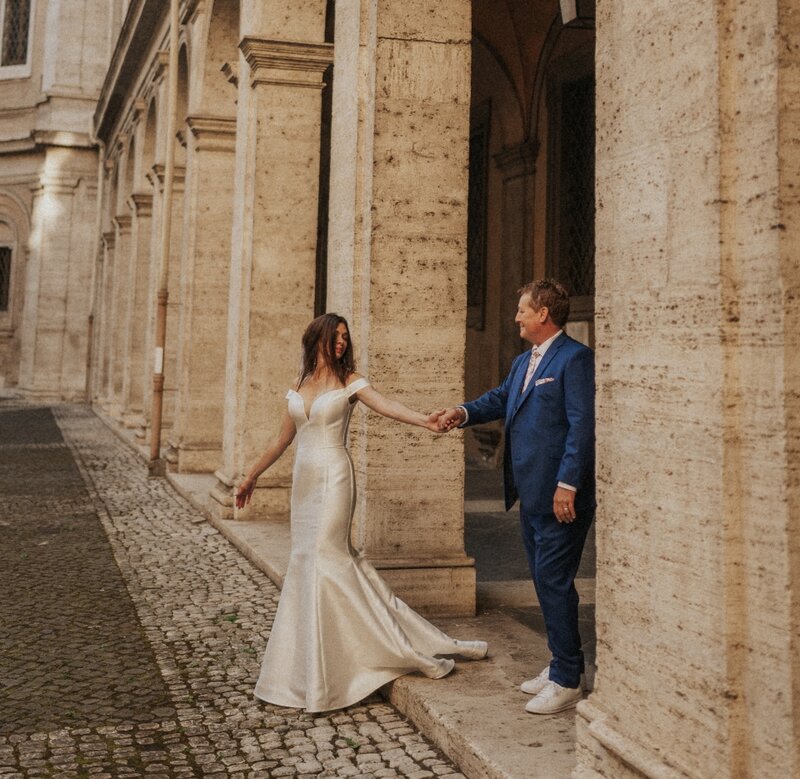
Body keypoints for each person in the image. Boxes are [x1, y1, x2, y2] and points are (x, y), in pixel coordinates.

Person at [235, 313, 488, 713]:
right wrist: (250, 476)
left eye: (344, 338)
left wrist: (425, 420)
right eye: (334, 337)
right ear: (316, 338)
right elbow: (280, 441)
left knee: (329, 556)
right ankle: (307, 671)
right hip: (304, 481)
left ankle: (372, 652)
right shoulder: (299, 385)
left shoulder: (350, 380)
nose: (340, 344)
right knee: (307, 562)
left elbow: (385, 405)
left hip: (335, 475)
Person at [436, 279, 595, 715]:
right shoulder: (524, 361)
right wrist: (462, 413)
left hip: (560, 496)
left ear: (543, 313)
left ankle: (568, 680)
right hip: (528, 493)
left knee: (555, 582)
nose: (516, 317)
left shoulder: (576, 359)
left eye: (523, 309)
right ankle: (561, 660)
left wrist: (569, 484)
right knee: (545, 582)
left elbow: (582, 427)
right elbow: (501, 399)